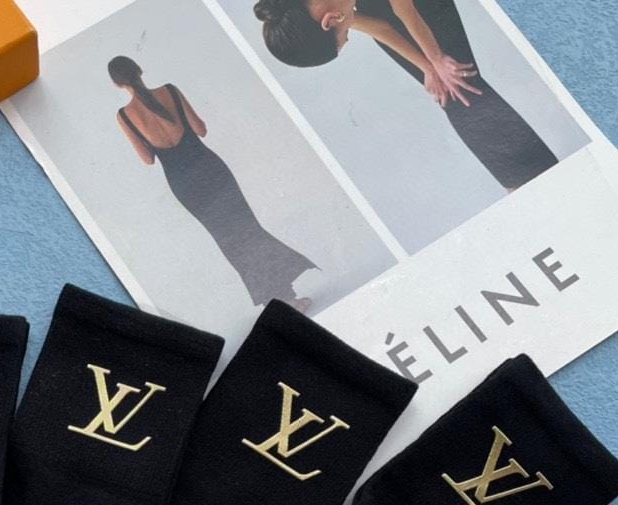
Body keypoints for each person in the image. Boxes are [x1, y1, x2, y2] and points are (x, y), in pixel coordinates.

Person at [254, 0, 558, 192]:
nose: (348, 38)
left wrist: (437, 59)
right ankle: (526, 179)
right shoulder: (324, 10)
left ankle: (535, 178)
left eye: (343, 38)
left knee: (459, 84)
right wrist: (427, 68)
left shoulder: (330, 10)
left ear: (329, 22)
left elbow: (406, 10)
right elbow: (381, 28)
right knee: (448, 90)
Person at [110, 56, 316, 312]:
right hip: (211, 169)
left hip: (184, 185)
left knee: (228, 240)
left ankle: (277, 300)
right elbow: (200, 129)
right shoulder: (169, 91)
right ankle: (286, 296)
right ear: (139, 70)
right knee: (248, 229)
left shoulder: (124, 116)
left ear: (117, 84)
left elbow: (147, 159)